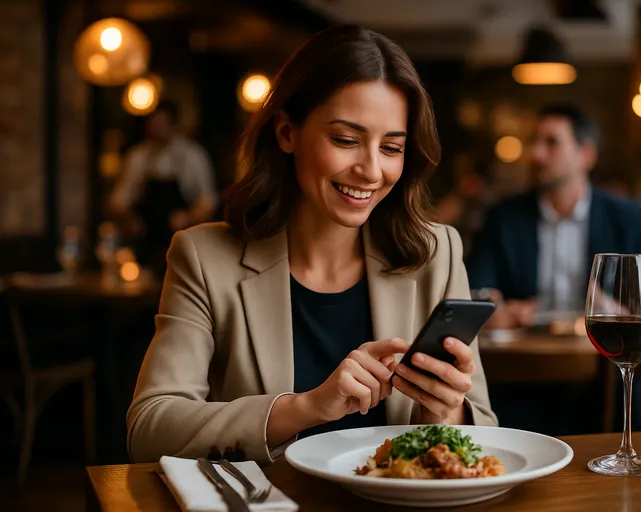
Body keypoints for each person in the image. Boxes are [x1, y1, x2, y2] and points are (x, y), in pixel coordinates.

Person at [126, 25, 497, 464]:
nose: (371, 170)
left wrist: (444, 412)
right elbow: (149, 429)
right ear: (287, 133)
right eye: (346, 140)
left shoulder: (436, 252)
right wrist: (306, 407)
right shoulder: (204, 257)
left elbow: (483, 432)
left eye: (391, 148)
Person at [466, 104, 641, 328]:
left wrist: (617, 312)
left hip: (605, 344)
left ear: (586, 155)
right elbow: (476, 291)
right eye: (534, 141)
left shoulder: (629, 219)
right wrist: (496, 310)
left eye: (552, 143)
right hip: (526, 345)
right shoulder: (503, 218)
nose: (536, 154)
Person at [110, 100, 218, 273]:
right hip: (146, 240)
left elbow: (208, 201)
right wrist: (130, 220)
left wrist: (188, 217)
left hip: (182, 240)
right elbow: (118, 200)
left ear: (174, 126)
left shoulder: (192, 155)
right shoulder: (138, 156)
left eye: (161, 125)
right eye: (153, 125)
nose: (156, 130)